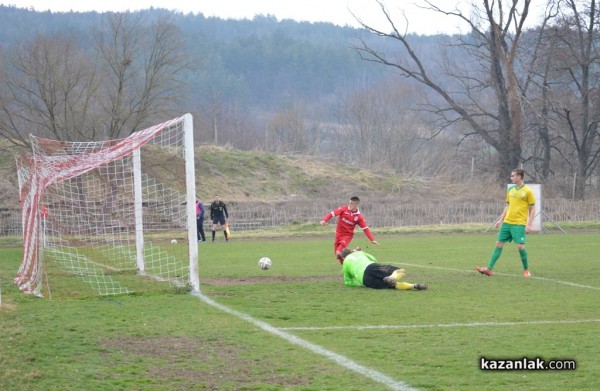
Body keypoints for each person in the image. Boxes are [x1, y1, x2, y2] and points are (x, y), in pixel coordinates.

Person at [476, 168, 536, 278]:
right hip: (507, 223)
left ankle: (526, 270)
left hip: (519, 224)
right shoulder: (511, 190)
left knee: (520, 247)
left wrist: (529, 224)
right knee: (498, 244)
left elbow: (533, 209)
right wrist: (501, 219)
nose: (511, 177)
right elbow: (507, 206)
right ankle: (489, 269)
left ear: (519, 177)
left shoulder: (527, 191)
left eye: (513, 176)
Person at [320, 196, 379, 264]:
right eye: (349, 203)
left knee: (338, 252)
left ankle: (353, 254)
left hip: (347, 236)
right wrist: (324, 220)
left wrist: (372, 239)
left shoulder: (358, 217)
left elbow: (365, 229)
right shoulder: (343, 209)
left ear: (356, 205)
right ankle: (354, 253)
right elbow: (332, 214)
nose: (349, 205)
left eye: (352, 203)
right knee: (338, 256)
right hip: (338, 234)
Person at [340, 248, 427, 290]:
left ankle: (414, 286)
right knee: (399, 270)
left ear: (343, 258)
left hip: (365, 281)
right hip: (370, 267)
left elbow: (348, 282)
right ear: (351, 251)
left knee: (393, 286)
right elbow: (374, 259)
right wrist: (361, 252)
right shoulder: (359, 253)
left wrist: (359, 283)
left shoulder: (344, 264)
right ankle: (392, 277)